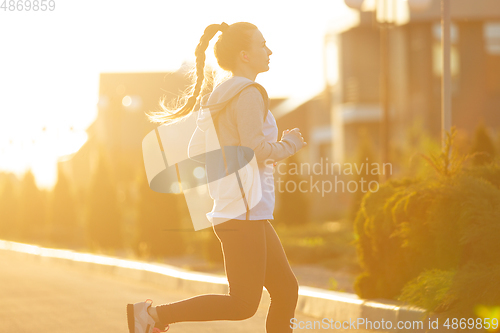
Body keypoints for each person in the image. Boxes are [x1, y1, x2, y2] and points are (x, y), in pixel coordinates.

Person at [127, 21, 307, 333]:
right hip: (244, 212)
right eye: (262, 44)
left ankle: (153, 316)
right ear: (244, 55)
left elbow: (199, 148)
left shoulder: (220, 95)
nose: (269, 50)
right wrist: (288, 144)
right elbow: (255, 150)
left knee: (286, 289)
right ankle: (153, 316)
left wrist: (245, 164)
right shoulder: (250, 93)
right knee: (242, 304)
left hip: (242, 209)